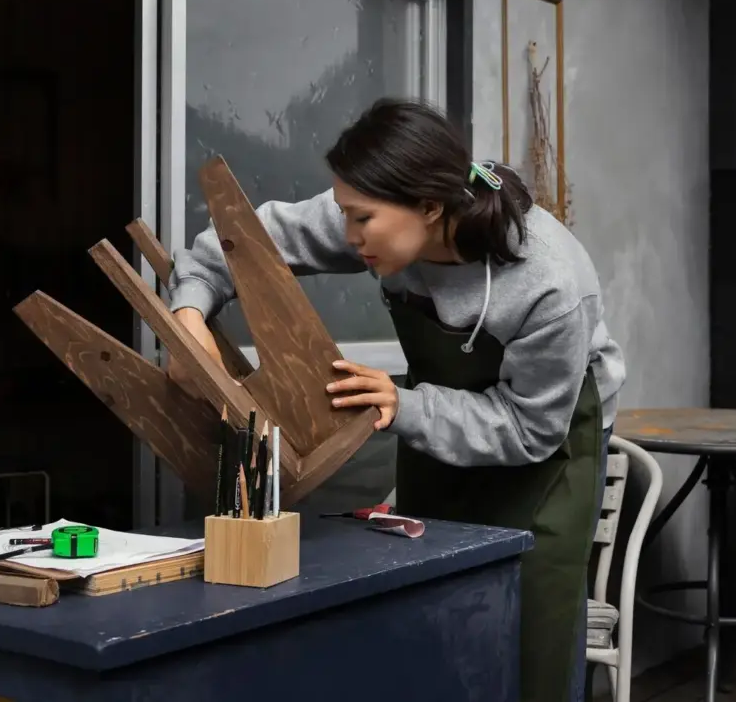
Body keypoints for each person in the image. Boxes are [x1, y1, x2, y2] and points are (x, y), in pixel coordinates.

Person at [166, 98, 626, 702]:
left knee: (529, 637)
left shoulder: (548, 283)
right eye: (344, 214)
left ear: (430, 207)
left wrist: (407, 407)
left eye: (362, 219)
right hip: (440, 422)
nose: (347, 235)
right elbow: (236, 243)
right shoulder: (371, 212)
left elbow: (529, 428)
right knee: (430, 611)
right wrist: (189, 314)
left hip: (549, 446)